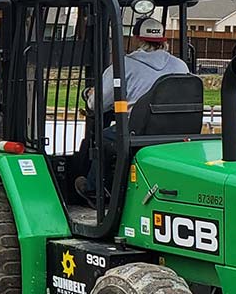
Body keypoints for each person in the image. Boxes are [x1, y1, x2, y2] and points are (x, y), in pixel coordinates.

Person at [77, 16, 190, 196]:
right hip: (177, 132)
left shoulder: (124, 66)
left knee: (104, 138)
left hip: (139, 131)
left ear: (137, 38)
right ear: (163, 40)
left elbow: (98, 103)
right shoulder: (181, 66)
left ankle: (94, 189)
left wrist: (90, 95)